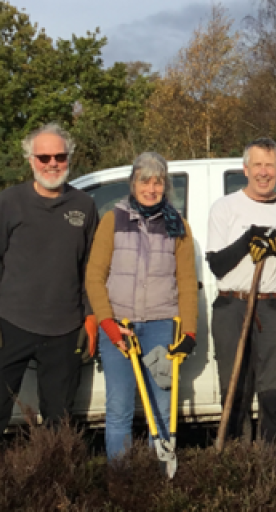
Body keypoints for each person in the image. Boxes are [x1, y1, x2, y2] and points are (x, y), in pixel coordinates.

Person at [0, 123, 98, 443]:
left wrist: (90, 315)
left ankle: (53, 483)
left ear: (69, 158)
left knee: (59, 421)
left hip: (65, 330)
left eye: (59, 156)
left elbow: (91, 267)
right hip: (10, 325)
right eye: (44, 157)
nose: (52, 164)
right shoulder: (10, 201)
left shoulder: (84, 206)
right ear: (31, 160)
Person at [206, 138, 276, 464]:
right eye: (257, 166)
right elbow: (217, 265)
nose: (263, 173)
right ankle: (237, 461)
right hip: (232, 305)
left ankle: (272, 463)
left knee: (273, 389)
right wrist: (247, 239)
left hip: (274, 307)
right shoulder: (225, 207)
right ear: (245, 169)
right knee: (234, 385)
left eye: (270, 166)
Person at [85, 152, 197, 460]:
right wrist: (108, 324)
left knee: (161, 405)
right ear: (132, 184)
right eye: (144, 181)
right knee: (119, 407)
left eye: (157, 182)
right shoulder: (113, 220)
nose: (151, 188)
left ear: (166, 186)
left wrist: (188, 332)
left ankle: (159, 479)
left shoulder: (178, 226)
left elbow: (187, 282)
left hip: (161, 327)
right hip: (120, 330)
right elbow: (94, 277)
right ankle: (121, 482)